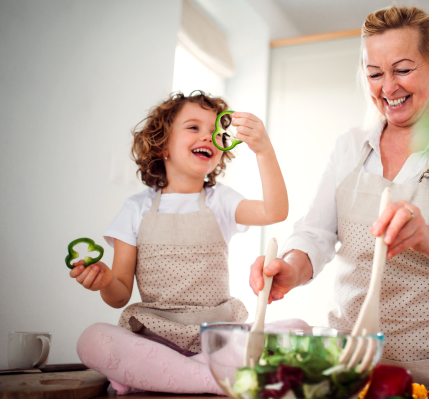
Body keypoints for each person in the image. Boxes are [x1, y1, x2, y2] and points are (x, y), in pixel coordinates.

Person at [249, 5, 429, 387]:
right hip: (352, 364)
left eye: (403, 69)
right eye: (375, 73)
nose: (388, 88)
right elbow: (315, 235)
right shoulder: (349, 147)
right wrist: (289, 268)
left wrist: (427, 238)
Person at [69, 91, 288, 394]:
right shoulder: (136, 208)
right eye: (194, 127)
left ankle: (167, 376)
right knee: (92, 339)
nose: (208, 137)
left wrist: (264, 151)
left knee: (295, 329)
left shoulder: (221, 200)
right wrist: (105, 280)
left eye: (216, 131)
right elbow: (119, 296)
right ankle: (216, 380)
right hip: (156, 340)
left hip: (217, 338)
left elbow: (275, 211)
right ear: (163, 146)